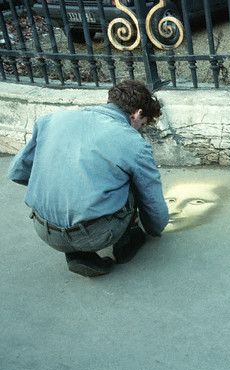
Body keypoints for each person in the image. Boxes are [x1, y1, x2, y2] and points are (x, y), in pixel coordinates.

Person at [7, 80, 169, 277]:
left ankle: (77, 255)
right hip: (96, 235)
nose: (138, 130)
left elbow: (16, 172)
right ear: (137, 113)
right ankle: (126, 244)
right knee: (132, 182)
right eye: (141, 125)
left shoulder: (51, 120)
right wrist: (154, 228)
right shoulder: (132, 141)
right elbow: (151, 198)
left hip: (43, 229)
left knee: (70, 174)